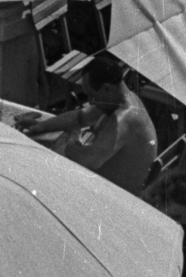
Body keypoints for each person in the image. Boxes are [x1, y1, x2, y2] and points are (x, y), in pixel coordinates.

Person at [19, 54, 159, 196]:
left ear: (106, 89)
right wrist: (41, 126)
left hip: (114, 196)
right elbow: (80, 117)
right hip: (107, 185)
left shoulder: (124, 118)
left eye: (92, 95)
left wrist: (69, 145)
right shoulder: (118, 100)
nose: (90, 102)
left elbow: (90, 160)